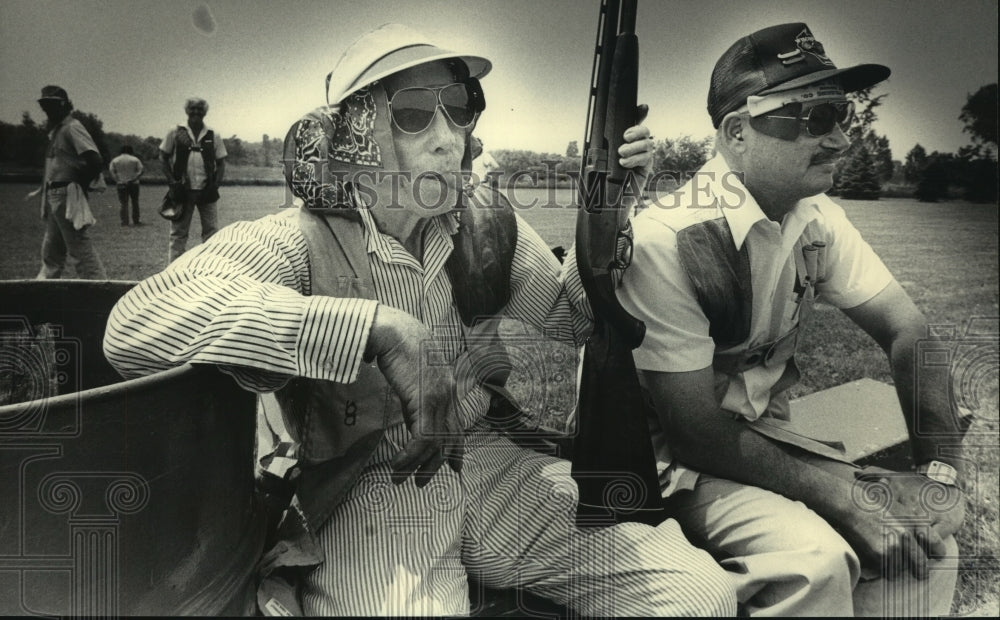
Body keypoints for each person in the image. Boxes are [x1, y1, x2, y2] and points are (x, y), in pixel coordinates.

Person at [103, 24, 736, 617]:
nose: (447, 135)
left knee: (698, 594)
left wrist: (609, 221)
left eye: (459, 106)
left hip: (490, 466)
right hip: (368, 489)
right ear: (348, 138)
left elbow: (573, 322)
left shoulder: (486, 228)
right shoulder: (295, 242)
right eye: (412, 114)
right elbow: (135, 325)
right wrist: (374, 327)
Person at [605, 22, 966, 616]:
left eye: (841, 113)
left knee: (926, 544)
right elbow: (694, 431)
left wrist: (941, 471)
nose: (841, 140)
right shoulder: (669, 238)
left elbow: (909, 332)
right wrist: (842, 494)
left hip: (761, 443)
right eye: (813, 118)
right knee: (815, 564)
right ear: (737, 132)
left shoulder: (812, 214)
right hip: (668, 464)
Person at [26, 85, 107, 280]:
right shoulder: (57, 131)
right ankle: (44, 287)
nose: (46, 109)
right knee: (52, 250)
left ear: (64, 105)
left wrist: (79, 185)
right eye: (44, 104)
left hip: (66, 193)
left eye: (52, 104)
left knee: (79, 247)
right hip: (56, 193)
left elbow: (95, 160)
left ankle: (98, 288)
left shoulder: (72, 127)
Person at [159, 97, 227, 262]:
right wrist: (172, 182)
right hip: (182, 190)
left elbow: (221, 162)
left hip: (207, 190)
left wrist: (215, 185)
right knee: (178, 234)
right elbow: (163, 157)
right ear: (187, 111)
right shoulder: (175, 132)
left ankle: (211, 268)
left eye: (200, 109)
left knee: (211, 232)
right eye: (193, 109)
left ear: (205, 112)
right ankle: (173, 272)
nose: (196, 112)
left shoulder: (213, 134)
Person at [109, 144, 144, 226]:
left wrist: (117, 180)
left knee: (123, 203)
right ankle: (136, 220)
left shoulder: (115, 160)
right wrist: (134, 179)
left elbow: (111, 171)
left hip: (121, 183)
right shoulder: (135, 159)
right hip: (134, 183)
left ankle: (124, 221)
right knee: (135, 202)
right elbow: (141, 170)